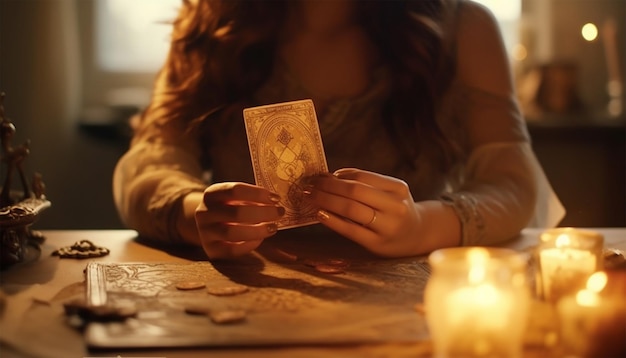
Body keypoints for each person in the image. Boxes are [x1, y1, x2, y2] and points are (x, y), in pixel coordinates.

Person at [113, 0, 564, 260]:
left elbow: (514, 184)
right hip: (242, 310)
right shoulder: (211, 20)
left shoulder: (464, 28)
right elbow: (149, 162)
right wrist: (196, 212)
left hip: (407, 319)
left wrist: (423, 225)